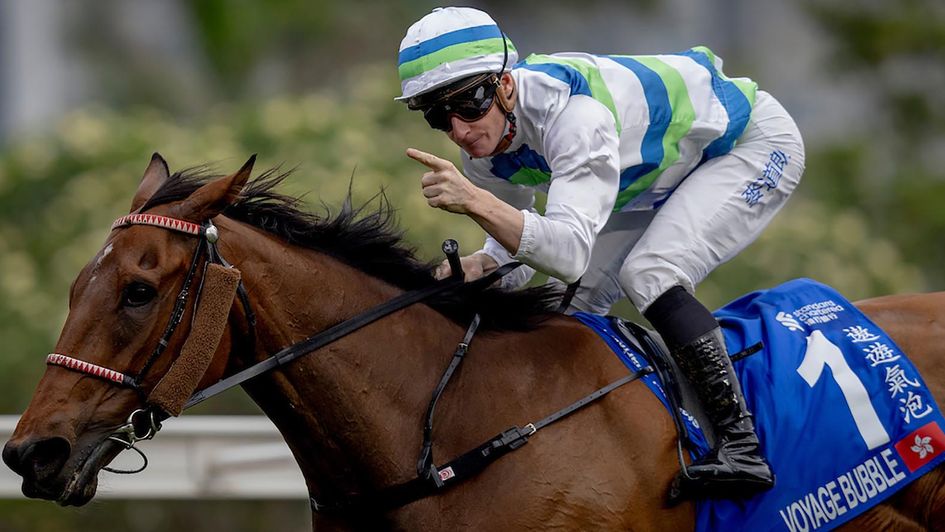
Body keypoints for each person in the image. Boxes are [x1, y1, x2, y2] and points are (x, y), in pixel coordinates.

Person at [398, 6, 805, 500]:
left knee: (651, 273)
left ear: (505, 84)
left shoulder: (575, 116)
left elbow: (567, 251)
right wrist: (480, 266)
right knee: (564, 308)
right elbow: (519, 256)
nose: (460, 130)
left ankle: (742, 446)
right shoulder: (483, 148)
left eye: (469, 103)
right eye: (439, 115)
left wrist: (474, 201)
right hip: (651, 176)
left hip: (747, 145)